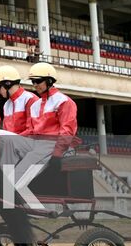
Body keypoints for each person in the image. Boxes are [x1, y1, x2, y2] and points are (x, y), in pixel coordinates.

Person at [5, 62, 78, 192]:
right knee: (9, 141)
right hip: (37, 143)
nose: (35, 85)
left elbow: (67, 130)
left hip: (55, 144)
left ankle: (9, 189)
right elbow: (31, 131)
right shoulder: (36, 105)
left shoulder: (64, 101)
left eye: (38, 81)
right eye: (33, 82)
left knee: (35, 153)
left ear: (49, 81)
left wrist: (57, 153)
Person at [0, 64, 35, 134]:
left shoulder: (29, 99)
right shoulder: (6, 104)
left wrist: (13, 140)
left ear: (8, 84)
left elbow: (32, 130)